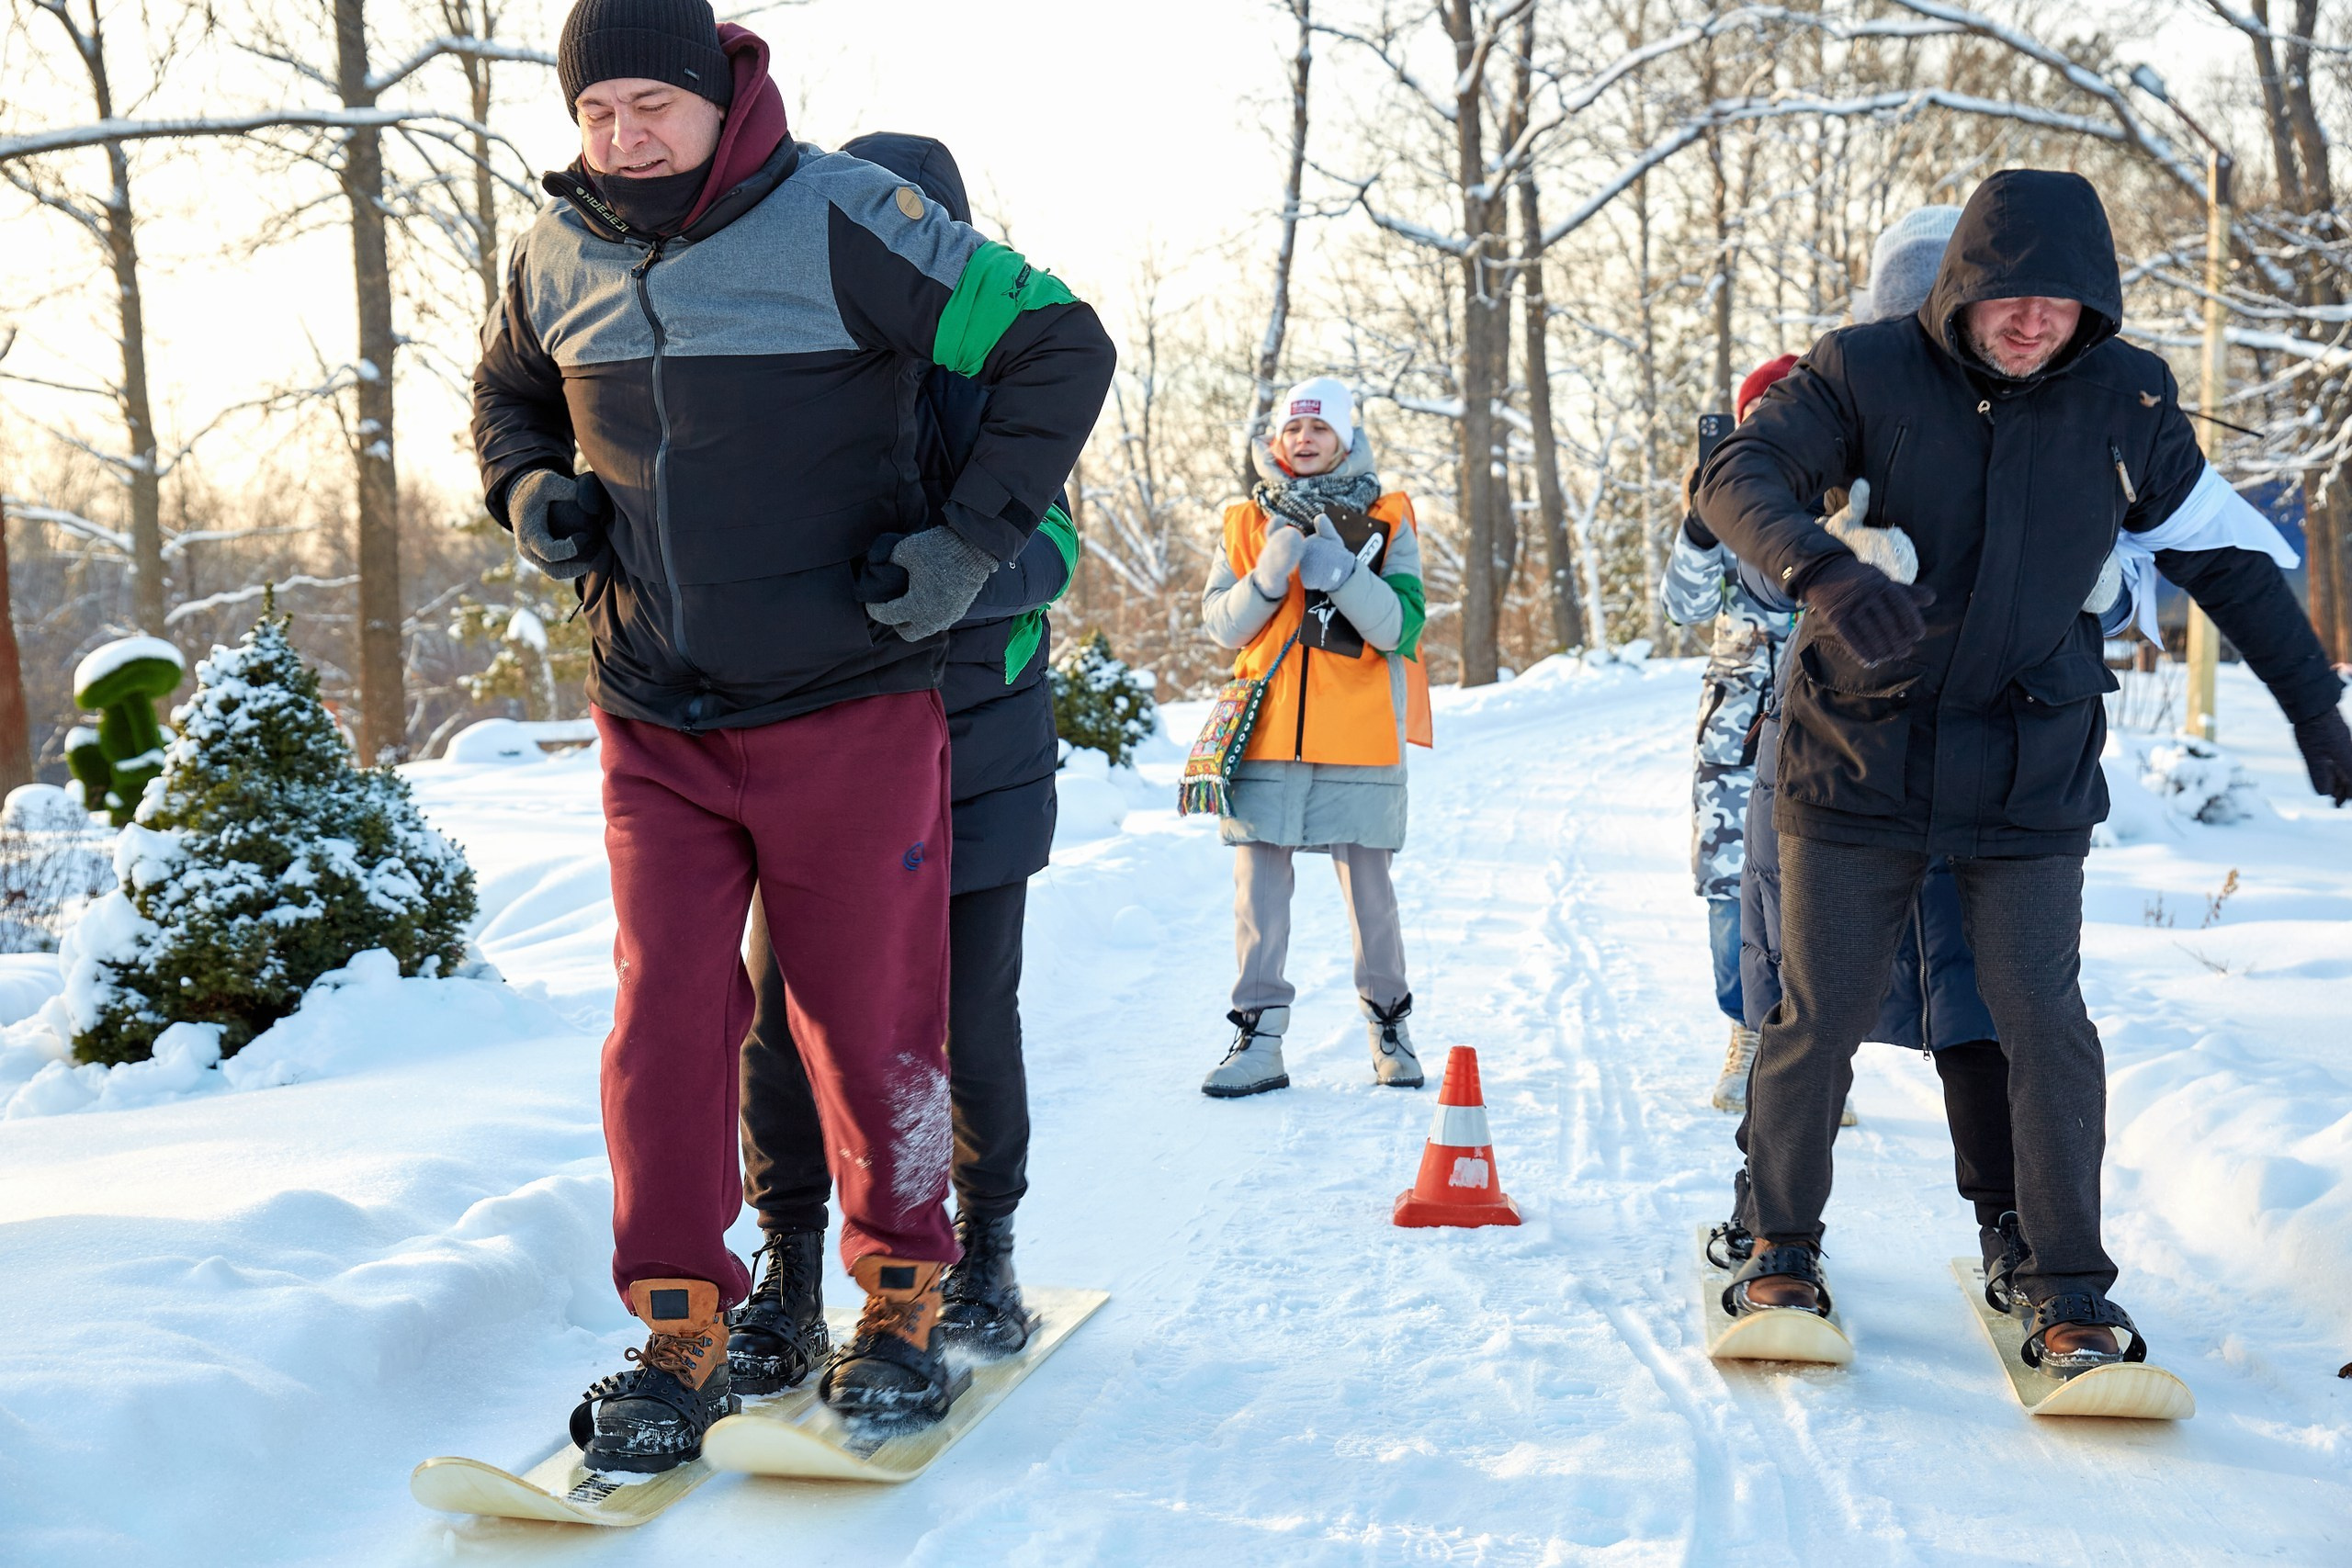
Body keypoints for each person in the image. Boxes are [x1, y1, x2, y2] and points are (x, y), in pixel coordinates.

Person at [471, 0, 1114, 1465]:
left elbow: (1058, 342)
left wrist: (969, 544)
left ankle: (904, 1300)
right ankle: (684, 1323)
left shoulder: (838, 215)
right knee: (664, 1022)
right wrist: (528, 487)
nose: (625, 135)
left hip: (846, 704)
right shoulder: (554, 250)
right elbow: (507, 393)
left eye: (652, 103)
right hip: (655, 708)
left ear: (719, 92)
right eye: (598, 112)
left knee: (874, 1015)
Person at [1695, 169, 2352, 1373]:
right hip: (1858, 755)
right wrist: (1823, 569)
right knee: (1822, 1009)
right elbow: (1739, 472)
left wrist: (2316, 706)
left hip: (2027, 768)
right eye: (2010, 294)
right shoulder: (1862, 369)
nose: (2034, 319)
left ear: (2093, 302)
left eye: (2062, 298)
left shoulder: (2128, 397)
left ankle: (2065, 1284)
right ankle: (1776, 1238)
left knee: (2041, 1021)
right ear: (1961, 286)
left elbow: (2224, 558)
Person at [728, 132, 1076, 1395]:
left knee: (965, 1021)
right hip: (816, 756)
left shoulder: (997, 379)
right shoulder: (794, 372)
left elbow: (1051, 549)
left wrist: (949, 570)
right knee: (783, 1023)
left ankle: (983, 1254)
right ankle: (787, 1268)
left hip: (973, 753)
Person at [1196, 378, 1433, 1097]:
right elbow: (1222, 626)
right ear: (1278, 439)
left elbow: (1400, 626)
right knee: (1258, 899)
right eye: (1294, 429)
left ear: (1344, 439)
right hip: (1264, 734)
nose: (1304, 439)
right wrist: (1266, 580)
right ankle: (1259, 1039)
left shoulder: (1388, 517)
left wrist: (1343, 573)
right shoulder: (1244, 521)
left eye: (1320, 429)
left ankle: (1390, 1027)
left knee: (1371, 899)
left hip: (1359, 734)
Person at [1658, 355, 1800, 1114]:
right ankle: (1746, 1033)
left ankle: (1810, 1051)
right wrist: (1698, 519)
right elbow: (1681, 606)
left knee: (1818, 890)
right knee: (1727, 889)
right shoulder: (1723, 502)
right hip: (1735, 735)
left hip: (1823, 727)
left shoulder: (1840, 498)